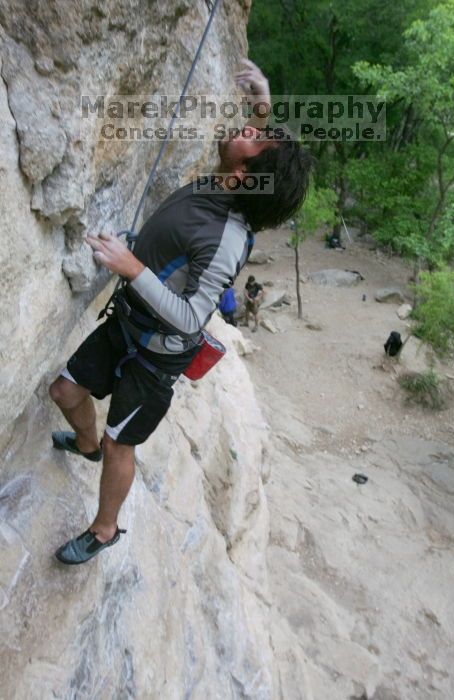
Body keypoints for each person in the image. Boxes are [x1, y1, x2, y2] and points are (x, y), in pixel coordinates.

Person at [49, 59, 311, 565]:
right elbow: (267, 160)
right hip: (130, 322)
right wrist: (264, 96)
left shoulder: (227, 238)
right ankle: (85, 447)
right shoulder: (227, 182)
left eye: (255, 133)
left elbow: (192, 318)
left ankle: (104, 530)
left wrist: (130, 267)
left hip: (156, 358)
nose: (249, 126)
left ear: (245, 174)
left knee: (120, 443)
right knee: (64, 391)